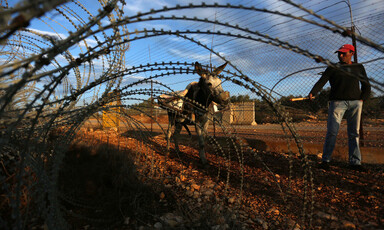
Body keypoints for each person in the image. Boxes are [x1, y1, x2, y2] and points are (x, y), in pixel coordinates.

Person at [308, 44, 371, 171]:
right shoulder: (333, 67)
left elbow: (366, 84)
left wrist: (363, 99)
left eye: (344, 53)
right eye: (339, 53)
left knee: (354, 133)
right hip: (337, 103)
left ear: (351, 53)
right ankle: (326, 160)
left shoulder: (358, 67)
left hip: (355, 103)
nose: (340, 55)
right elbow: (322, 81)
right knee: (332, 132)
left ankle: (355, 163)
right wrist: (313, 92)